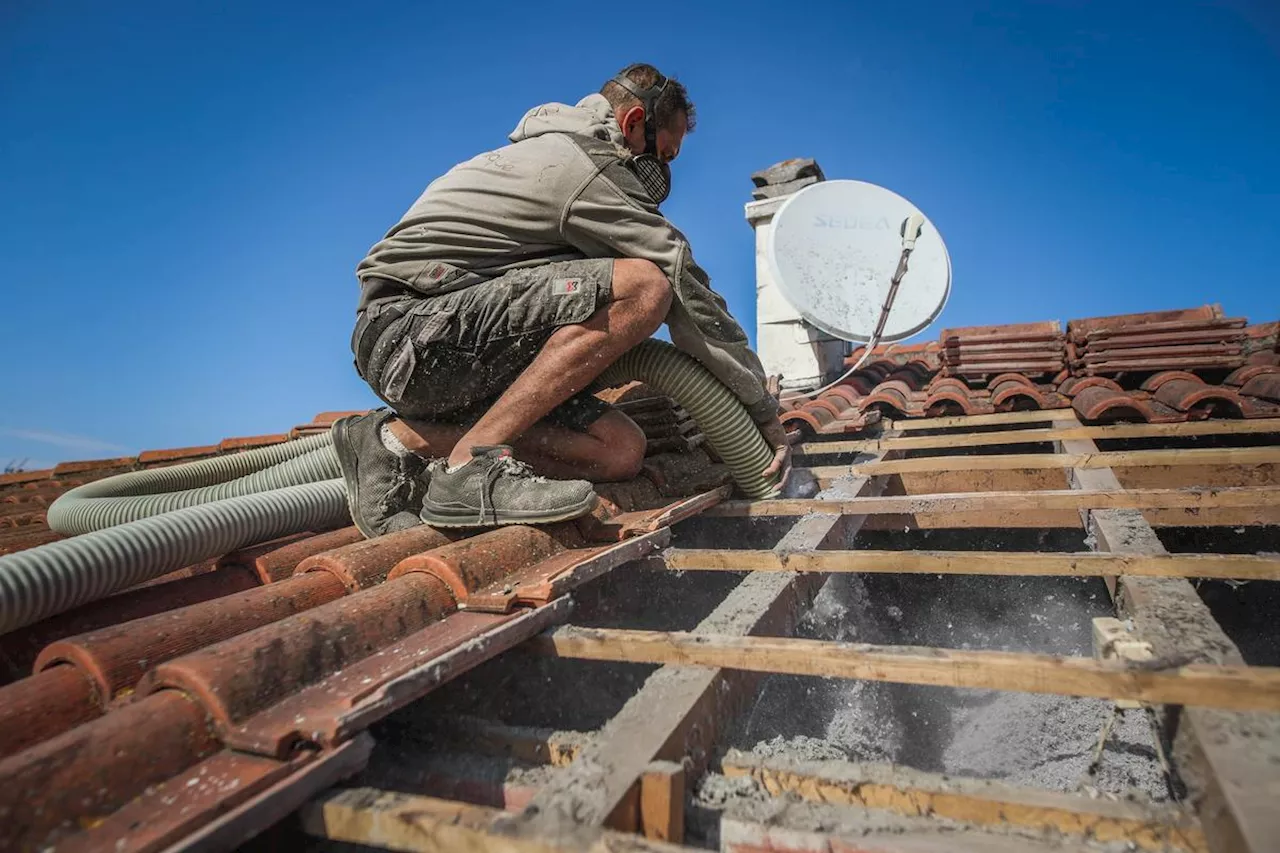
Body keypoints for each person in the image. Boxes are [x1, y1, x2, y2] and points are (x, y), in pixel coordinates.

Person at [334, 63, 790, 537]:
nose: (664, 170)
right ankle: (469, 468)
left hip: (450, 342)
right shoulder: (587, 165)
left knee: (617, 450)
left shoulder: (560, 157)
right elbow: (681, 279)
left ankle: (392, 441)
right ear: (634, 122)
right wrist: (757, 405)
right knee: (644, 286)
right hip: (411, 333)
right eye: (665, 153)